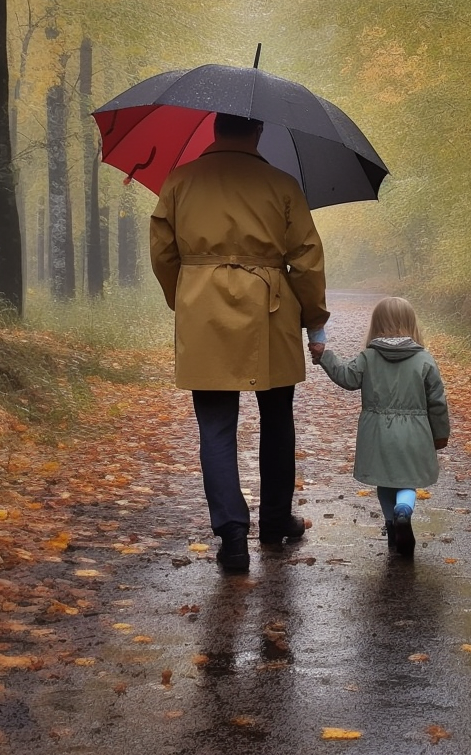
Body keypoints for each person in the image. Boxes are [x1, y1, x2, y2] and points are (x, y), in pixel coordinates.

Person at [150, 112, 329, 572]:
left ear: (214, 129)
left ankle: (232, 537)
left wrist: (186, 296)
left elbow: (163, 251)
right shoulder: (283, 184)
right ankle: (273, 522)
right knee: (276, 417)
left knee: (215, 426)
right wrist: (313, 320)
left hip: (203, 308)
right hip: (270, 309)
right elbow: (307, 261)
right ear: (259, 131)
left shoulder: (180, 181)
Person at [310, 296, 449, 557]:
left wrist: (325, 356)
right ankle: (403, 512)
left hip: (377, 434)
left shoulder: (369, 356)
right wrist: (440, 434)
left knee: (385, 482)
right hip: (414, 433)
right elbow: (437, 401)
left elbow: (347, 377)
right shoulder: (424, 360)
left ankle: (391, 525)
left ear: (376, 324)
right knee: (407, 480)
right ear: (411, 323)